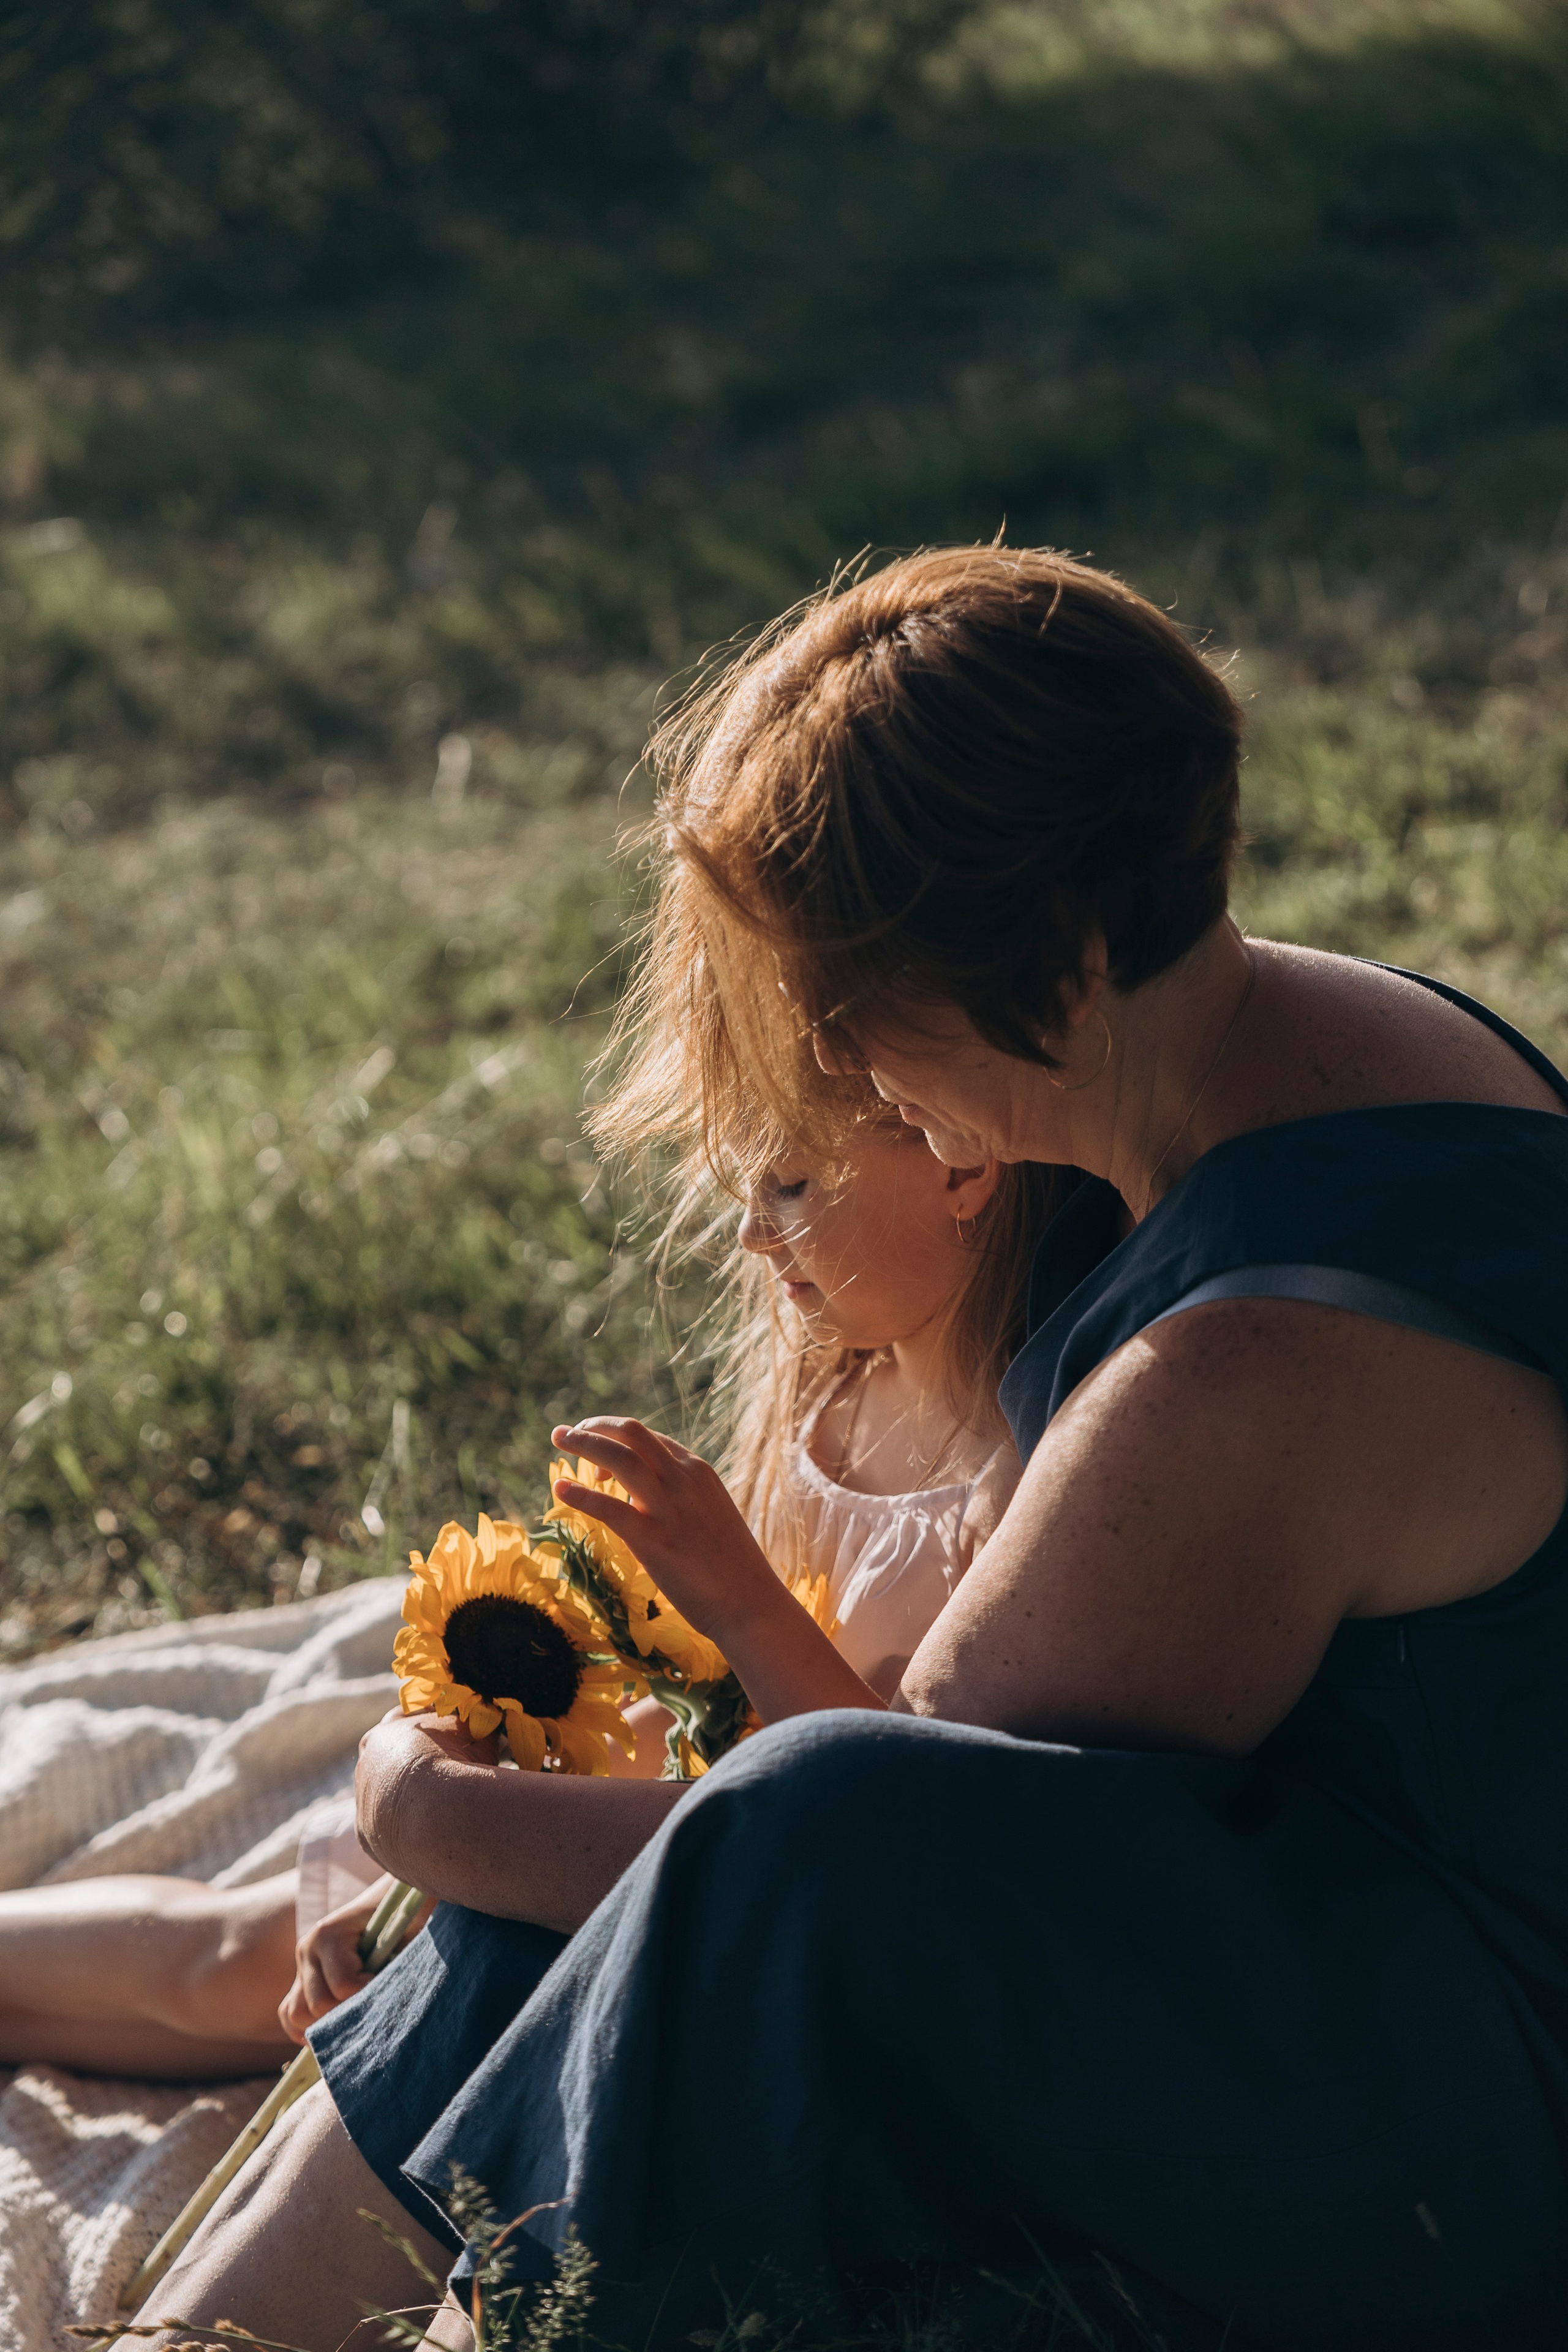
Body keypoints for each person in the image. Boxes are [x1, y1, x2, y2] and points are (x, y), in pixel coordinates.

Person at [115, 545, 1568, 2352]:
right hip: (1327, 1960)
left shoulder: (1249, 1378)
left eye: (850, 1006)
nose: (837, 1068)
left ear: (1058, 966)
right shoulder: (1353, 1030)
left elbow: (841, 1866)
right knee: (576, 1887)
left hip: (1456, 2134)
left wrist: (422, 1810)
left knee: (681, 1870)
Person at [1, 1110, 1046, 2076]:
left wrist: (739, 1599)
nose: (752, 1239)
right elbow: (683, 1698)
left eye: (792, 1187)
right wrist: (446, 1855)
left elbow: (883, 1818)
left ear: (958, 1157)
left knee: (227, 1981)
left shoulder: (1015, 1496)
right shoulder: (839, 1385)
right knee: (232, 1968)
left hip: (663, 1916)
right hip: (570, 1841)